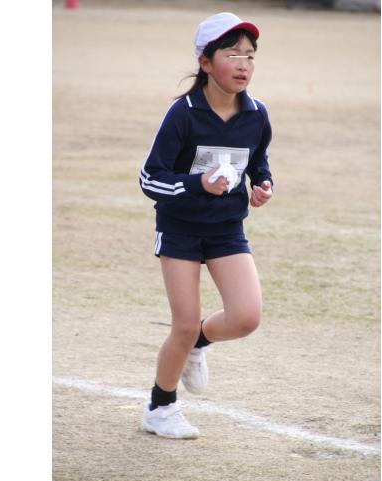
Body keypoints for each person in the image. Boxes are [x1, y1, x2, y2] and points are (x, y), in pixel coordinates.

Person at [139, 12, 274, 439]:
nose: (243, 64)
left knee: (246, 317)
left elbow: (257, 160)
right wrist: (199, 183)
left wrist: (262, 183)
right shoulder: (183, 114)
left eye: (249, 56)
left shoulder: (256, 114)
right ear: (205, 62)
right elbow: (150, 178)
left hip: (226, 229)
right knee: (182, 323)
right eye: (231, 54)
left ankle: (199, 343)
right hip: (180, 229)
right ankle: (160, 408)